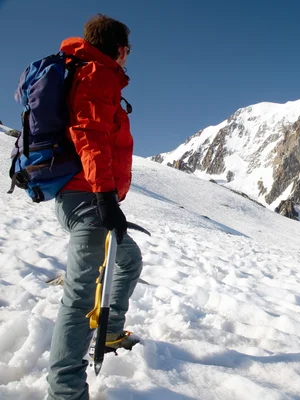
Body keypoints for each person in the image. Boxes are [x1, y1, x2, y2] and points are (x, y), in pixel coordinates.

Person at [47, 14, 143, 400]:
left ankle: (109, 331)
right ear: (119, 49)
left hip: (85, 195)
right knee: (81, 294)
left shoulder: (90, 73)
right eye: (128, 50)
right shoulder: (97, 75)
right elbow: (89, 136)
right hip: (86, 196)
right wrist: (104, 196)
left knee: (129, 259)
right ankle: (66, 391)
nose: (128, 57)